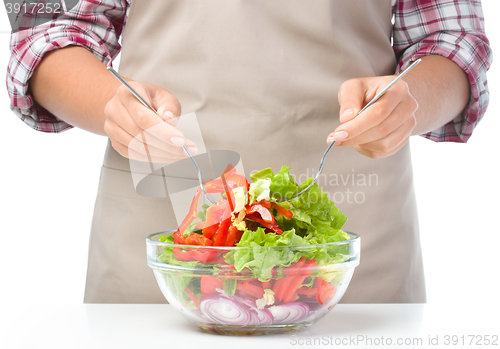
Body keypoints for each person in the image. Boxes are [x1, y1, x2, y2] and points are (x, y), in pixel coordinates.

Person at [7, 0, 492, 303]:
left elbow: (450, 40)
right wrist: (113, 107)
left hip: (351, 229)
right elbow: (47, 31)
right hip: (165, 210)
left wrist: (409, 102)